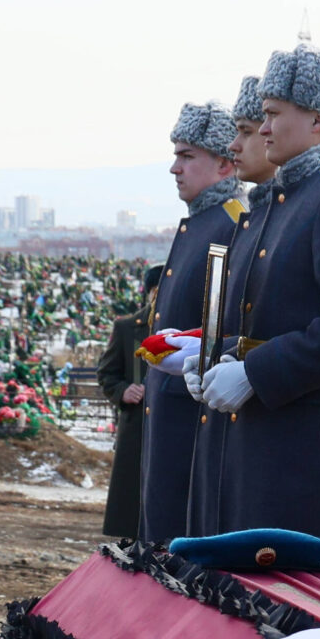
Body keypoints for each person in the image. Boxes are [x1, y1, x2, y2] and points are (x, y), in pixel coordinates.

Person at [186, 43, 320, 540]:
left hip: (306, 456)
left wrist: (254, 373)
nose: (262, 129)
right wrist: (220, 358)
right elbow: (278, 320)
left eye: (274, 114)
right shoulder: (288, 196)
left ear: (318, 118)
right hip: (269, 446)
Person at [136, 102, 245, 543]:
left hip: (195, 424)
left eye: (187, 156)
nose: (174, 168)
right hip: (170, 418)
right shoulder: (202, 223)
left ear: (223, 164)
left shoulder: (234, 225)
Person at [94, 295, 147, 538]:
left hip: (175, 433)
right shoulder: (128, 328)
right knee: (132, 508)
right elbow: (107, 374)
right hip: (137, 428)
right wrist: (123, 391)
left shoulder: (187, 330)